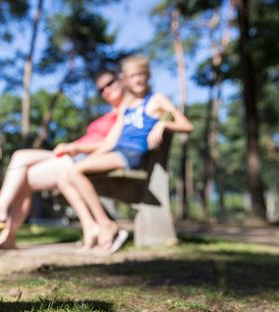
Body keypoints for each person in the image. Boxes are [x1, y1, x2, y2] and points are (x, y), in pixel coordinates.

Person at [57, 55, 194, 255]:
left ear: (147, 76)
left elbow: (187, 126)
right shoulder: (127, 106)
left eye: (141, 74)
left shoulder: (156, 99)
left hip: (132, 155)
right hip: (117, 151)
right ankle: (92, 228)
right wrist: (80, 151)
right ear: (126, 80)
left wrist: (163, 123)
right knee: (66, 175)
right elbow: (110, 142)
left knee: (76, 171)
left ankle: (107, 225)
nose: (137, 79)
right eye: (132, 76)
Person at [0, 69, 130, 253]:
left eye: (110, 83)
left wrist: (77, 148)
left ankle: (5, 226)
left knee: (24, 174)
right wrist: (72, 146)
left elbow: (113, 143)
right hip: (73, 152)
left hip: (83, 157)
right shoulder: (109, 114)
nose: (106, 90)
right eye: (101, 89)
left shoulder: (128, 111)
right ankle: (2, 217)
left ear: (121, 80)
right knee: (20, 157)